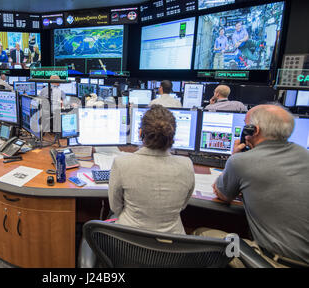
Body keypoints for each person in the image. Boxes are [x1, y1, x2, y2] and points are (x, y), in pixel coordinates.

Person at [194, 105, 309, 268]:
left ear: (253, 130)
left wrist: (234, 157)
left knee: (201, 234)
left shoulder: (242, 161)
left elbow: (223, 194)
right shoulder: (305, 154)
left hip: (276, 261)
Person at [109, 105, 195, 234]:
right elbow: (182, 206)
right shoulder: (187, 165)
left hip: (128, 244)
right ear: (173, 136)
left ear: (140, 133)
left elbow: (115, 207)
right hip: (172, 247)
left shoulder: (122, 163)